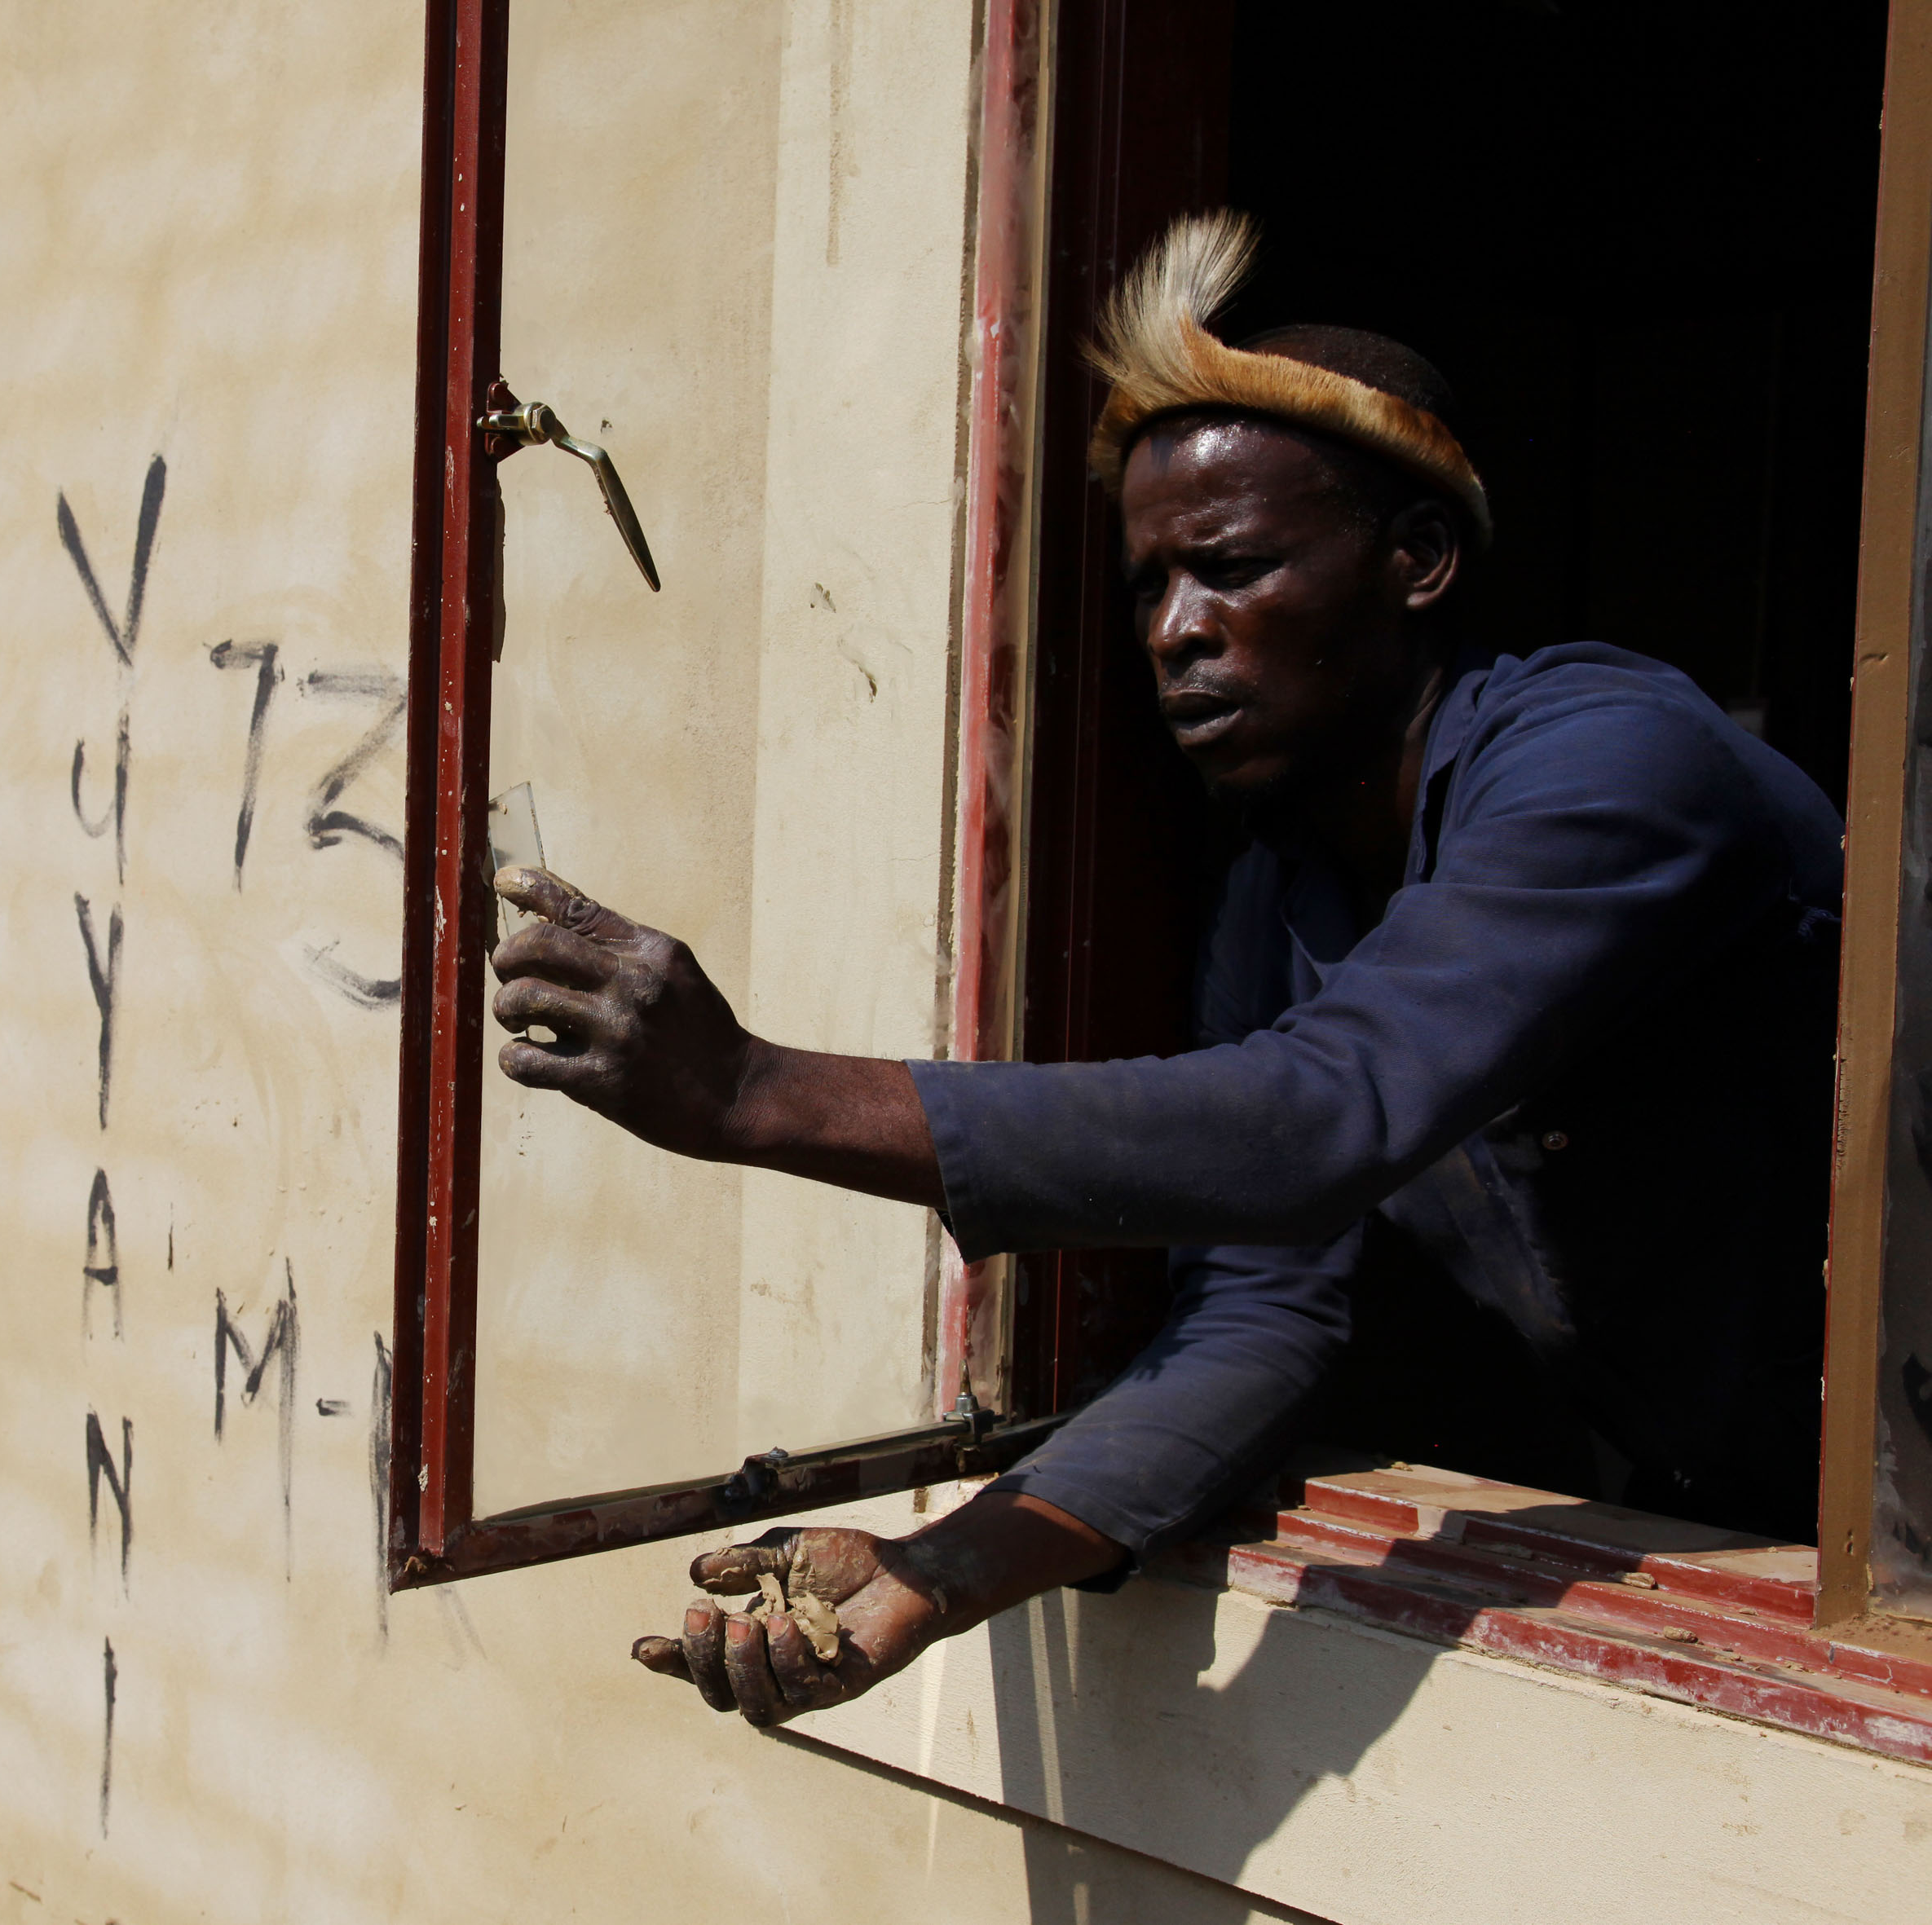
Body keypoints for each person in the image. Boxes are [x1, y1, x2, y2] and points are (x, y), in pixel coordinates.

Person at [485, 210, 1842, 1729]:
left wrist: (753, 1090)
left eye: (1234, 567)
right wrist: (941, 1571)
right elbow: (1267, 1309)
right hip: (1734, 1510)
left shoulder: (1614, 756)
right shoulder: (1282, 887)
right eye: (1149, 587)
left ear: (1420, 561)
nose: (1178, 632)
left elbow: (1324, 1116)